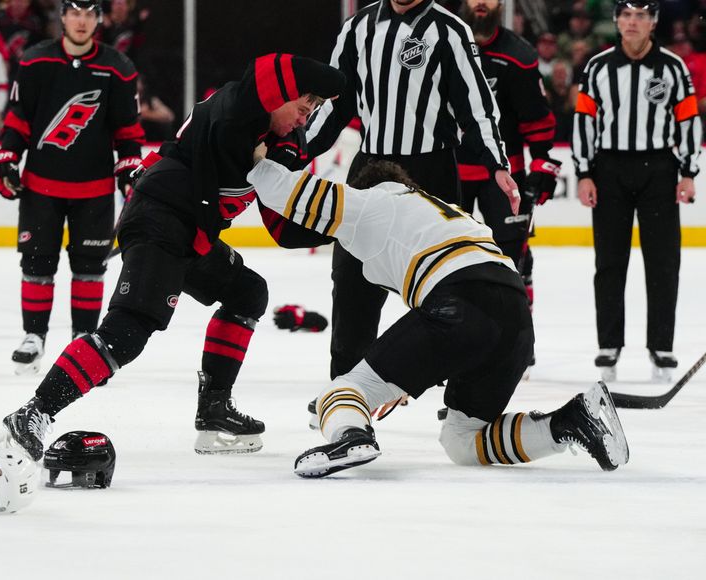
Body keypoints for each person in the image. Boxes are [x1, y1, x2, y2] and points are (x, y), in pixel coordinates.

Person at [0, 53, 346, 460]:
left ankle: (214, 410)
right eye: (302, 107)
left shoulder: (283, 140)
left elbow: (282, 225)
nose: (303, 119)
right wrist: (346, 77)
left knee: (247, 292)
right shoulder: (238, 105)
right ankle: (33, 413)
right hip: (160, 217)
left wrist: (343, 229)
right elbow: (266, 70)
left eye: (311, 111)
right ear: (278, 94)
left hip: (193, 234)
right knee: (127, 332)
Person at [246, 153, 629, 477]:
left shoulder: (373, 203)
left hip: (459, 302)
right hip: (515, 319)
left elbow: (295, 194)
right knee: (462, 440)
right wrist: (406, 372)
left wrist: (252, 161)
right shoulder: (446, 212)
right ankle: (569, 422)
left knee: (340, 390)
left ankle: (351, 436)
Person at [304, 0, 518, 382]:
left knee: (446, 281)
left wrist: (498, 164)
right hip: (370, 167)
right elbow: (333, 102)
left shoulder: (450, 30)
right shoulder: (357, 28)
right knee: (351, 278)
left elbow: (477, 106)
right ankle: (345, 387)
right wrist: (298, 151)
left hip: (430, 171)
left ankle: (450, 380)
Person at [0, 0, 145, 374]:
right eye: (75, 13)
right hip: (41, 186)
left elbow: (128, 133)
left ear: (99, 19)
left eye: (89, 14)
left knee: (90, 268)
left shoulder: (118, 68)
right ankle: (34, 337)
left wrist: (130, 171)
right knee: (37, 263)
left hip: (93, 188)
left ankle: (83, 342)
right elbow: (19, 121)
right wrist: (7, 156)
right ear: (62, 17)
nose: (81, 21)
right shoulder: (34, 61)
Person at [573, 0, 701, 382]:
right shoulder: (597, 67)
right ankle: (609, 343)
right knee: (609, 261)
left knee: (663, 261)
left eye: (641, 16)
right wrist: (584, 172)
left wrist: (689, 171)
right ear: (616, 21)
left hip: (660, 169)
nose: (632, 22)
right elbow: (584, 121)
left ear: (654, 22)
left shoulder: (673, 68)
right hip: (609, 169)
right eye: (626, 15)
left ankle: (661, 345)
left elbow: (689, 120)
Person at [456, 0, 560, 371]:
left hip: (506, 175)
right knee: (445, 261)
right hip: (450, 171)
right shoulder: (438, 41)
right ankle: (448, 342)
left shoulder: (518, 54)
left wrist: (543, 162)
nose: (481, 3)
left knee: (511, 261)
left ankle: (516, 340)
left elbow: (536, 118)